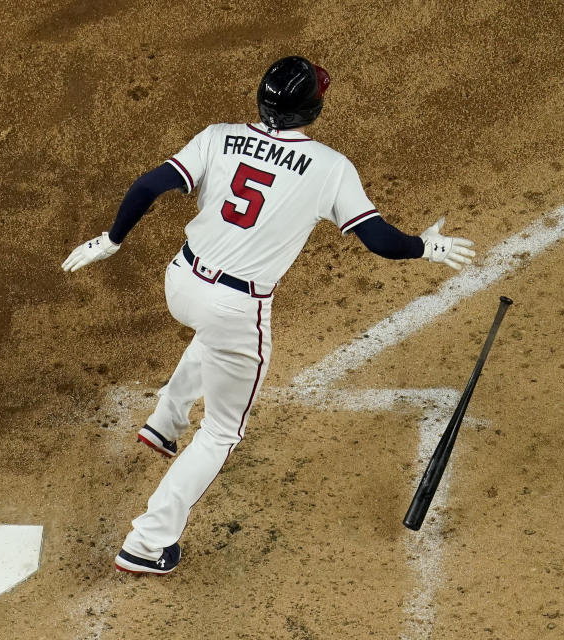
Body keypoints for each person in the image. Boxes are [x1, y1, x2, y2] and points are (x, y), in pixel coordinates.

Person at [61, 56, 475, 575]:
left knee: (211, 333)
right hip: (236, 307)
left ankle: (164, 420)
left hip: (181, 281)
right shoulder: (330, 167)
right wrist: (426, 248)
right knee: (221, 433)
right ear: (314, 109)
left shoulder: (217, 136)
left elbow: (147, 186)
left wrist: (111, 240)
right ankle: (148, 542)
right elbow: (380, 240)